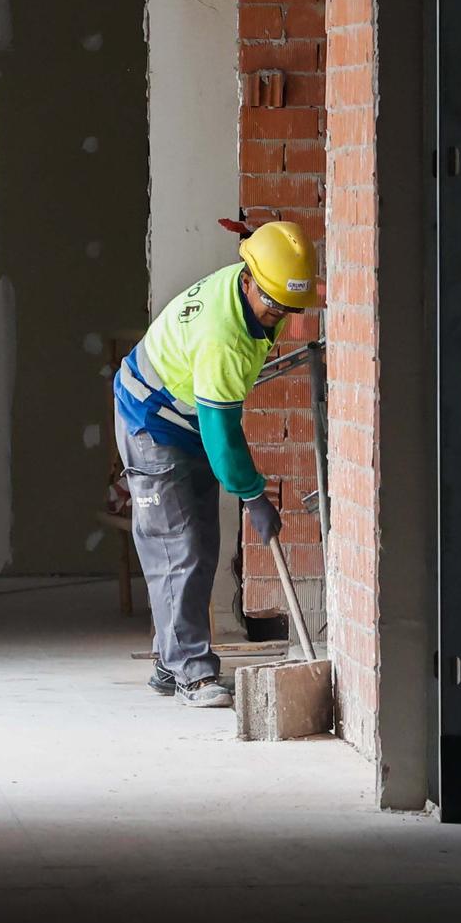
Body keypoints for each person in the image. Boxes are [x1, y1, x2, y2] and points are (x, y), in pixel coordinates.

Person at [111, 220, 321, 707]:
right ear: (249, 280)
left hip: (188, 414)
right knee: (176, 547)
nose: (277, 318)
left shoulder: (262, 288)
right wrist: (253, 495)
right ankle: (192, 674)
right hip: (154, 421)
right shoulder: (221, 337)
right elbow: (223, 437)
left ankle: (172, 658)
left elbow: (295, 294)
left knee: (201, 543)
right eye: (273, 306)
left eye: (289, 308)